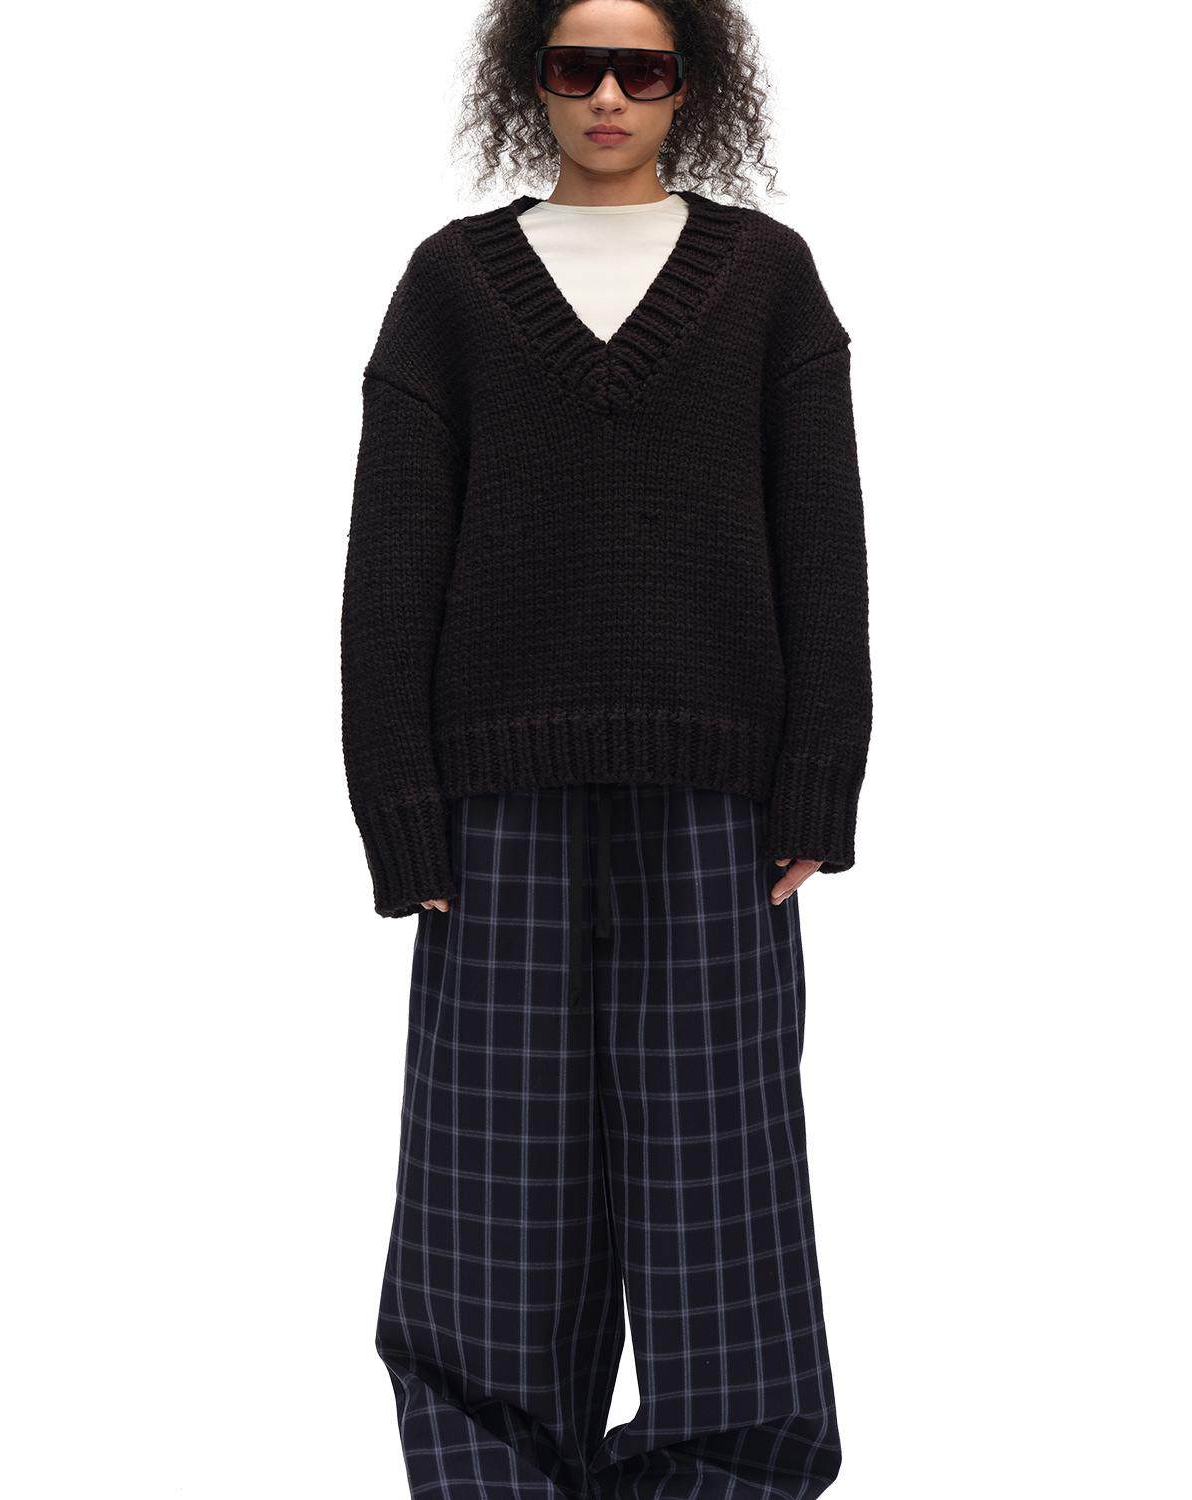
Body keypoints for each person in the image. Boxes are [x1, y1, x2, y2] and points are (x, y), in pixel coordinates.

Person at [340, 2, 872, 1494]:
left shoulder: (767, 280)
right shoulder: (452, 285)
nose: (611, 94)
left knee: (721, 1180)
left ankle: (726, 1473)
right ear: (533, 81)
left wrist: (819, 783)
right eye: (578, 65)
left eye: (645, 67)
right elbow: (391, 565)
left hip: (720, 800)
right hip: (491, 806)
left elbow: (824, 547)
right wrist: (397, 806)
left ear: (694, 85)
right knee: (488, 1181)